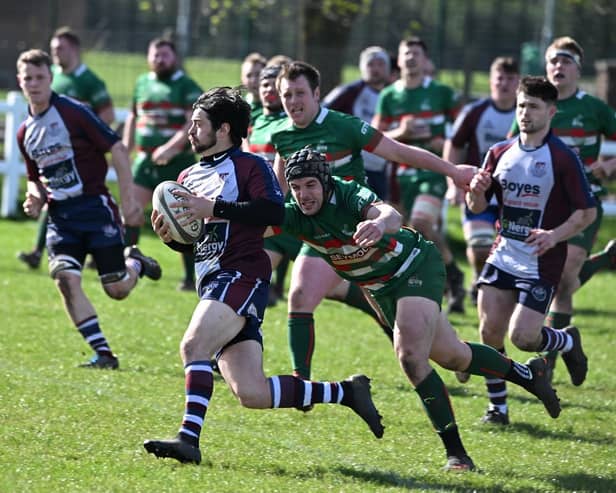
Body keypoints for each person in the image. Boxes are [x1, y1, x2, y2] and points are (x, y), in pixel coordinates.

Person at [270, 147, 561, 472]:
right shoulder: (295, 214)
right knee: (454, 356)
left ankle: (457, 456)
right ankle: (528, 374)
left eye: (310, 185)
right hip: (379, 288)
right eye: (296, 187)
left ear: (325, 181)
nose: (303, 194)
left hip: (414, 266)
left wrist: (379, 224)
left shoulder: (346, 192)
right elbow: (253, 223)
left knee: (410, 357)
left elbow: (390, 214)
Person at [143, 87, 384, 465]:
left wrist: (214, 206)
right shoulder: (188, 175)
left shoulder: (249, 166)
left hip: (242, 275)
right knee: (251, 392)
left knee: (193, 347)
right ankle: (347, 393)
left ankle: (189, 440)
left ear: (223, 129)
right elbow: (199, 241)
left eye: (197, 124)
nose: (190, 131)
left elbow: (273, 213)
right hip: (213, 281)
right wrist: (173, 239)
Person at [16, 49, 161, 369]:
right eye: (28, 78)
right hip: (60, 217)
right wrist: (33, 195)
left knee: (117, 289)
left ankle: (134, 263)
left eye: (40, 77)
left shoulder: (73, 113)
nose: (34, 83)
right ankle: (104, 354)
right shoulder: (25, 132)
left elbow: (119, 149)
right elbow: (33, 177)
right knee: (65, 279)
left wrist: (128, 202)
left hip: (95, 209)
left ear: (51, 79)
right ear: (20, 82)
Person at [465, 76, 596, 425]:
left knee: (523, 338)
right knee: (489, 332)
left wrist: (555, 235)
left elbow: (587, 212)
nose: (525, 113)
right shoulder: (499, 152)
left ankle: (565, 342)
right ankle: (498, 409)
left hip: (541, 261)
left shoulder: (563, 158)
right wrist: (475, 191)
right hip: (503, 254)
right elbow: (477, 206)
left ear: (551, 112)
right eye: (522, 105)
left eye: (533, 107)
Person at [509, 37, 616, 377]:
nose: (559, 66)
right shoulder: (535, 107)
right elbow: (513, 150)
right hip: (540, 204)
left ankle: (548, 361)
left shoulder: (595, 108)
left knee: (564, 275)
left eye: (566, 60)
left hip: (583, 202)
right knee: (557, 283)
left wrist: (611, 164)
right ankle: (600, 264)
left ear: (577, 69)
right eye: (553, 60)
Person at [372, 37, 466, 313]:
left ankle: (446, 280)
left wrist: (442, 144)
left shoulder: (442, 93)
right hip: (399, 176)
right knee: (406, 233)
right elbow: (375, 136)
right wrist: (403, 132)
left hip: (432, 172)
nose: (411, 58)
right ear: (398, 61)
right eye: (406, 53)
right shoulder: (389, 96)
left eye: (416, 53)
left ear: (425, 60)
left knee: (423, 224)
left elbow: (461, 133)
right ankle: (452, 276)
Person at [18, 26, 115, 270]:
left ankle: (111, 253)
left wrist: (88, 142)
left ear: (74, 49)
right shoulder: (55, 78)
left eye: (59, 48)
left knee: (116, 285)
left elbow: (108, 114)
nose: (55, 53)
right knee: (55, 198)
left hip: (82, 160)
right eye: (52, 49)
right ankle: (39, 251)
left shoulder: (89, 80)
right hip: (55, 156)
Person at [122, 37, 203, 291]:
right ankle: (126, 261)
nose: (159, 60)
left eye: (164, 55)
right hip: (145, 162)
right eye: (155, 55)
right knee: (130, 211)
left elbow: (193, 122)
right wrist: (126, 148)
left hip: (177, 164)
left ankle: (190, 278)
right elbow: (134, 116)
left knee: (183, 219)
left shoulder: (187, 86)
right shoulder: (142, 83)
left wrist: (171, 147)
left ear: (175, 58)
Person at [444, 57, 520, 305]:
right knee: (479, 247)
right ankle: (478, 275)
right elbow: (454, 146)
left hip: (516, 193)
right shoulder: (475, 112)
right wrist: (452, 183)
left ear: (518, 82)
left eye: (510, 79)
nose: (504, 84)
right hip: (479, 189)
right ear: (491, 81)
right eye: (500, 78)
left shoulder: (527, 113)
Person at [323, 46, 392, 200]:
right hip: (354, 165)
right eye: (370, 64)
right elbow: (320, 112)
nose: (375, 69)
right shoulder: (348, 91)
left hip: (384, 163)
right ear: (362, 68)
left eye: (380, 64)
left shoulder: (393, 94)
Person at [240, 52, 267, 124]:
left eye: (258, 74)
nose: (253, 80)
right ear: (242, 79)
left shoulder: (273, 107)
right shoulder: (239, 107)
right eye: (249, 75)